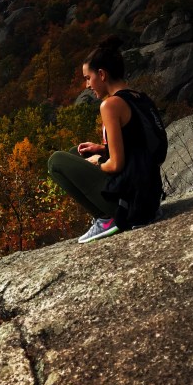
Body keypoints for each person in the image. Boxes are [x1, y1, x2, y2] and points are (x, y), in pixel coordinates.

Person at [47, 36, 162, 243]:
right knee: (76, 153)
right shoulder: (139, 98)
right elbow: (140, 144)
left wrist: (99, 162)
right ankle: (115, 213)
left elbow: (116, 165)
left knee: (55, 162)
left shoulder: (110, 105)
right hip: (149, 197)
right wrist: (100, 149)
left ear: (101, 74)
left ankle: (107, 217)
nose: (87, 85)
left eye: (88, 78)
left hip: (131, 205)